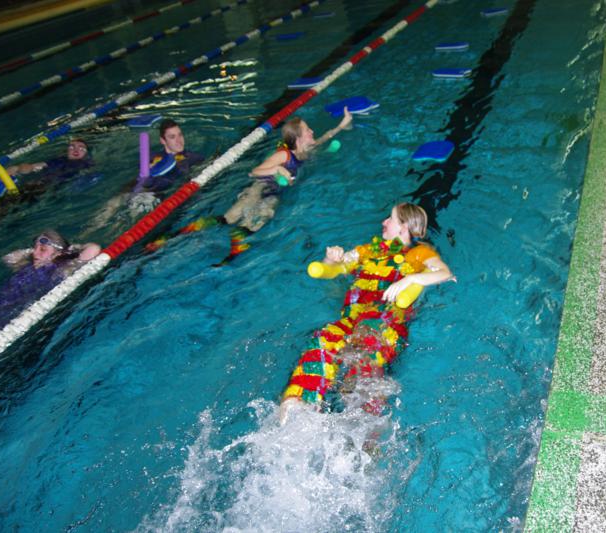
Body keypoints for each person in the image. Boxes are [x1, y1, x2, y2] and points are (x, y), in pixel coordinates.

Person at [280, 203, 454, 421]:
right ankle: (299, 404)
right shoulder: (367, 251)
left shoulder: (418, 253)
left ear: (403, 227)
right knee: (322, 341)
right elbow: (337, 268)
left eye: (390, 218)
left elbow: (444, 273)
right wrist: (331, 260)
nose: (383, 222)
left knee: (366, 353)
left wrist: (410, 279)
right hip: (352, 318)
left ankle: (365, 421)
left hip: (385, 321)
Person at [146, 109, 352, 266]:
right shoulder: (284, 155)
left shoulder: (305, 150)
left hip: (274, 193)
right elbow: (254, 172)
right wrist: (277, 169)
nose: (312, 131)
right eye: (308, 130)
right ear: (298, 139)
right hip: (260, 187)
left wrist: (341, 126)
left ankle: (229, 255)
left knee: (253, 221)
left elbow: (324, 138)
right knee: (231, 217)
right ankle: (171, 237)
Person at [0, 230, 101, 345]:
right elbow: (9, 258)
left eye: (42, 250)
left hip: (12, 318)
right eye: (35, 248)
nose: (35, 253)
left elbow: (94, 249)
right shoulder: (25, 266)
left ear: (58, 253)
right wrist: (36, 249)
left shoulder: (62, 269)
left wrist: (69, 249)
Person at [134, 119, 204, 194]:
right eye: (172, 137)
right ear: (163, 141)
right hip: (143, 189)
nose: (179, 140)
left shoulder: (193, 158)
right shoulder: (152, 157)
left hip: (166, 193)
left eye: (180, 135)